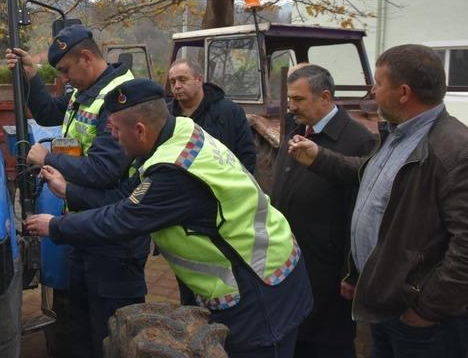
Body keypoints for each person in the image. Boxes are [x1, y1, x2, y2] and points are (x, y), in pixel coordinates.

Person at [26, 78, 312, 358]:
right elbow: (129, 198)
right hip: (255, 271)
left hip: (259, 287)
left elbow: (122, 218)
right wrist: (69, 191)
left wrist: (54, 225)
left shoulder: (173, 170)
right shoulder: (180, 130)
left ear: (139, 130)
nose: (111, 137)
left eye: (114, 130)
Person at [288, 44, 468, 358]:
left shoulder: (453, 150)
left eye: (379, 83)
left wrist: (426, 309)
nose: (373, 89)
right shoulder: (398, 134)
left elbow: (465, 247)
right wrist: (319, 158)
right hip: (386, 304)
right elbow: (371, 177)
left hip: (420, 321)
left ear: (403, 92)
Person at [6, 25, 149, 358]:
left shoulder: (120, 98)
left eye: (67, 70)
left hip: (114, 235)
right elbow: (48, 112)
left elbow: (103, 169)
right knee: (80, 324)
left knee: (109, 330)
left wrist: (48, 157)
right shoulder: (86, 91)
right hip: (84, 226)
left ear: (86, 57)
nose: (66, 79)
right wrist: (31, 76)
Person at [270, 65, 376, 358]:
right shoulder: (297, 129)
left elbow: (358, 215)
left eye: (298, 99)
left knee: (329, 344)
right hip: (292, 262)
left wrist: (352, 273)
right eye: (290, 99)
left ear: (325, 97)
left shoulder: (358, 141)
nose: (291, 107)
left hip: (329, 274)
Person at [167, 59, 256, 173]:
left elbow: (247, 155)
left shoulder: (229, 112)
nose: (177, 86)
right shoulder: (166, 116)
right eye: (172, 82)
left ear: (199, 80)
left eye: (182, 80)